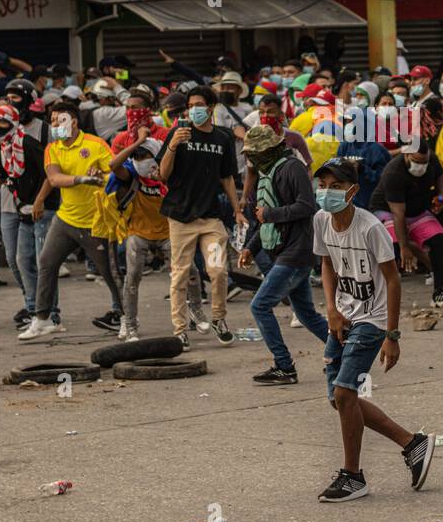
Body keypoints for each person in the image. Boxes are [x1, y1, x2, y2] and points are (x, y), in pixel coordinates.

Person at [312, 158, 435, 502]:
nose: (327, 192)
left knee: (344, 393)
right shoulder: (321, 220)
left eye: (335, 186)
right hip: (343, 316)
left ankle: (353, 476)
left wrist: (392, 336)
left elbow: (394, 280)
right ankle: (412, 443)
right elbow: (326, 264)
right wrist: (332, 310)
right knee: (339, 399)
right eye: (323, 185)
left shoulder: (370, 228)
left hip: (373, 319)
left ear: (352, 191)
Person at [20, 102, 124, 340]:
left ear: (74, 122)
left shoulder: (95, 144)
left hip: (95, 222)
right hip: (65, 219)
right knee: (46, 262)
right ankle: (43, 319)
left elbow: (115, 173)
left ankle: (126, 317)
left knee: (109, 273)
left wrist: (101, 176)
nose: (55, 125)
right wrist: (81, 179)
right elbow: (54, 178)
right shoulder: (52, 148)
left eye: (60, 121)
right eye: (53, 121)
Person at [237, 125, 328, 385]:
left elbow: (306, 206)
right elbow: (261, 218)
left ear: (270, 149)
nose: (251, 159)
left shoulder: (292, 168)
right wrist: (250, 248)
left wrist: (271, 215)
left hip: (296, 252)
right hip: (283, 252)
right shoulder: (267, 174)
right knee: (307, 314)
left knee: (260, 305)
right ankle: (344, 352)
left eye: (255, 153)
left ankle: (284, 366)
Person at [159, 87, 244, 348]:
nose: (193, 109)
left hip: (211, 219)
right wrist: (173, 145)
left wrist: (238, 210)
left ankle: (219, 319)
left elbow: (227, 177)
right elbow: (163, 174)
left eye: (199, 104)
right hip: (180, 217)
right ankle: (180, 329)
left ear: (210, 107)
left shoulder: (223, 138)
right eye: (190, 104)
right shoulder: (177, 133)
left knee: (218, 271)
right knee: (180, 275)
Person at [0, 102, 61, 332]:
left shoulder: (27, 143)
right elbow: (3, 175)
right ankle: (35, 311)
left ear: (14, 122)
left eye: (3, 121)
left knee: (44, 263)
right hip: (22, 209)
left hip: (42, 209)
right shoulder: (5, 147)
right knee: (21, 260)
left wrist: (39, 201)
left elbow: (49, 175)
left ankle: (52, 314)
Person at [368, 140, 443, 306]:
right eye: (416, 162)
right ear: (406, 155)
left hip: (416, 210)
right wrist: (404, 247)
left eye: (424, 162)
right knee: (390, 243)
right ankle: (378, 295)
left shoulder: (431, 159)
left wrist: (442, 195)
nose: (421, 166)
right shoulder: (393, 173)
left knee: (440, 240)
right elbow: (398, 214)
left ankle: (440, 290)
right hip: (388, 209)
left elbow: (440, 176)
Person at [108, 123, 169, 341]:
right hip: (138, 232)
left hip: (168, 233)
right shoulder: (132, 175)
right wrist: (138, 142)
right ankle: (130, 325)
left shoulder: (168, 173)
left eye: (145, 155)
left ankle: (194, 312)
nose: (141, 160)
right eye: (138, 156)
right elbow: (113, 164)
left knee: (188, 273)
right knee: (132, 278)